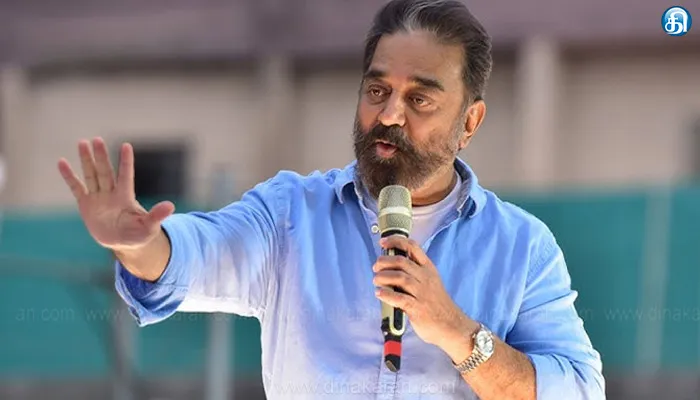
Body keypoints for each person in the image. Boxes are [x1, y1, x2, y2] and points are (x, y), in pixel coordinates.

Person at [57, 0, 604, 398]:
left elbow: (577, 391)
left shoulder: (521, 248)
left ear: (470, 121)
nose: (389, 115)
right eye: (377, 91)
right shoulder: (291, 215)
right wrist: (139, 245)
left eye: (419, 99)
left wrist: (458, 332)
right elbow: (198, 253)